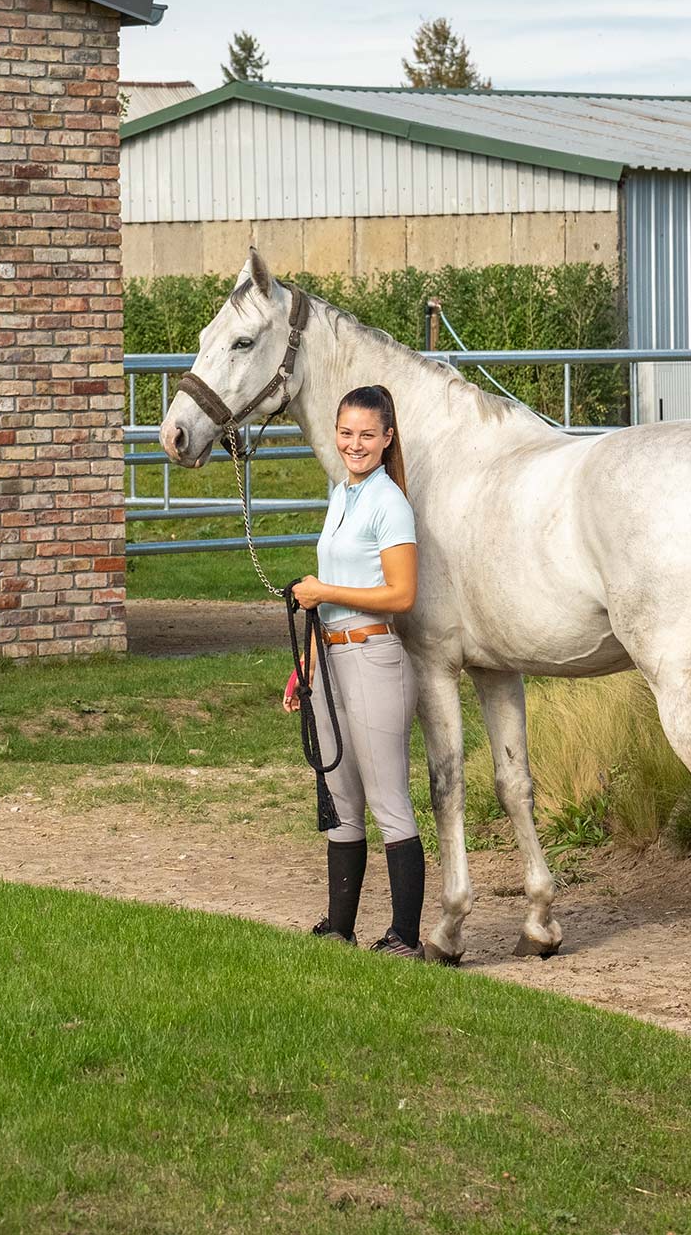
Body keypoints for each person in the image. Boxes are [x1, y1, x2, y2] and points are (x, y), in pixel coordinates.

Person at [288, 385, 424, 957]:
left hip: (373, 656)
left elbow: (403, 594)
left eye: (367, 435)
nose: (355, 444)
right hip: (332, 655)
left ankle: (403, 936)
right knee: (339, 790)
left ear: (387, 438)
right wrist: (306, 667)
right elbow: (326, 603)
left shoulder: (389, 502)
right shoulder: (342, 494)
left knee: (388, 795)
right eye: (346, 433)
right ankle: (339, 925)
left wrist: (322, 590)